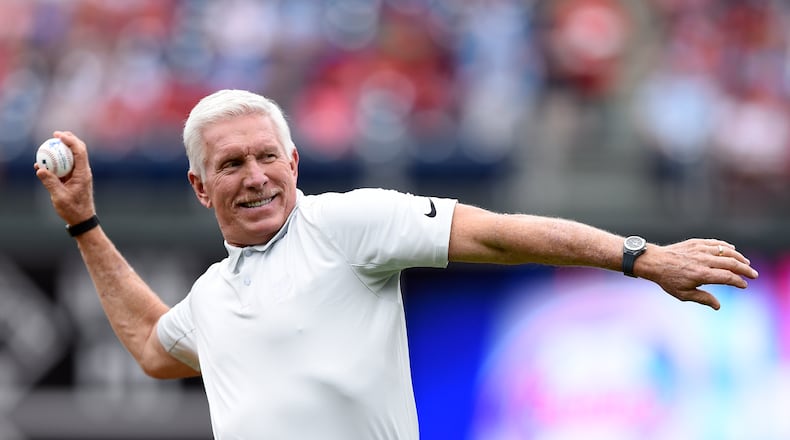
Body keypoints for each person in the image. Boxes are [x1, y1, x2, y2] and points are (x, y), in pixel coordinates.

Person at [34, 89, 759, 439]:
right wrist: (84, 223)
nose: (255, 176)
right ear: (199, 187)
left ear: (294, 162)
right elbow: (156, 351)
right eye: (231, 164)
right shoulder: (214, 295)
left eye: (267, 157)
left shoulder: (344, 225)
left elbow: (500, 235)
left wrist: (638, 256)